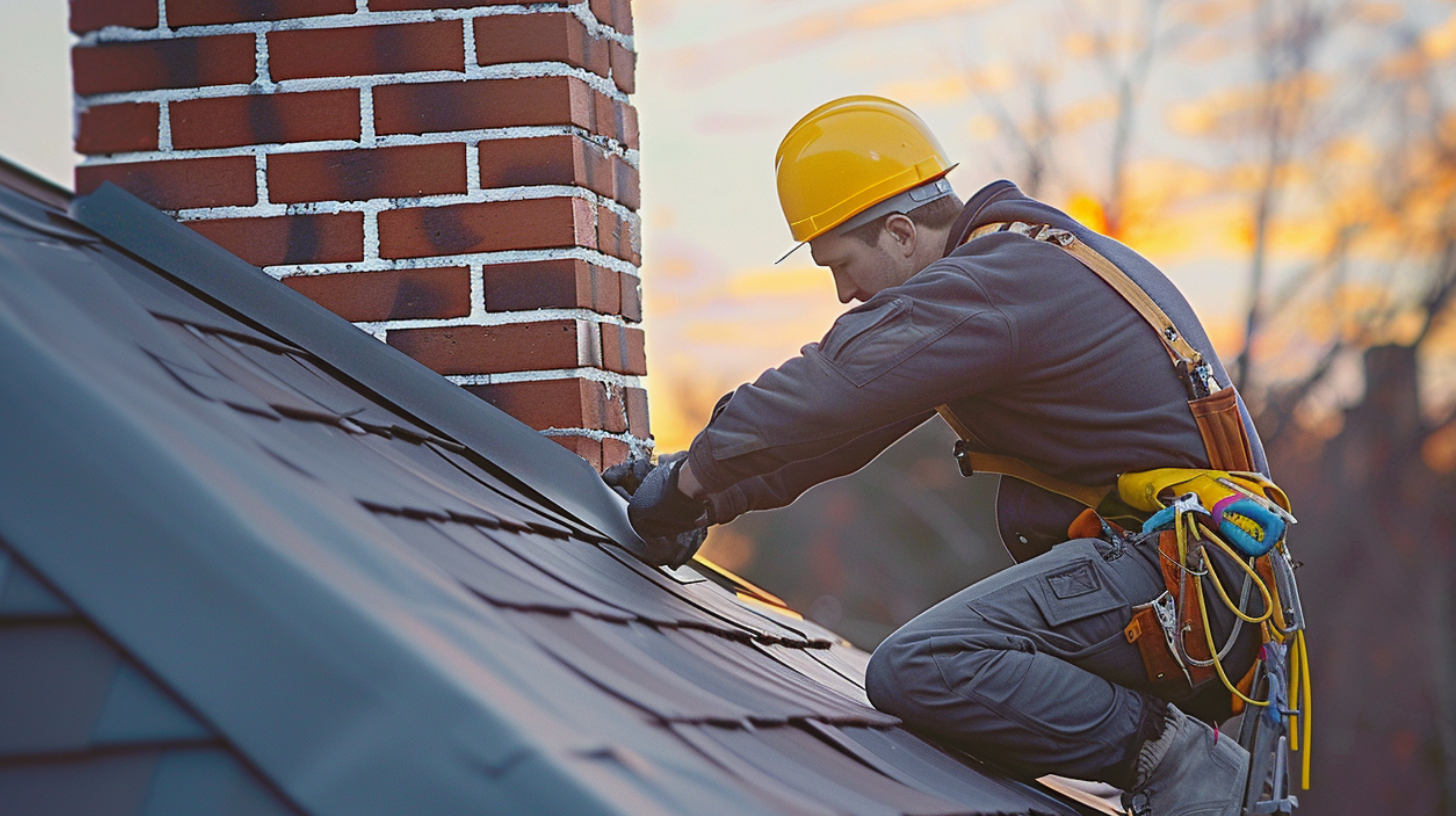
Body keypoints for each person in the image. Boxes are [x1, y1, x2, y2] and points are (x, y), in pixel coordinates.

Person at [608, 96, 1270, 816]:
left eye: (844, 264)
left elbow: (834, 381)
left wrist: (688, 478)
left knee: (923, 665)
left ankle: (1192, 774)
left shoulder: (998, 278)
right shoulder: (1009, 273)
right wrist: (705, 491)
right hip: (1192, 574)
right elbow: (841, 430)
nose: (845, 293)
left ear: (899, 233)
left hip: (1180, 575)